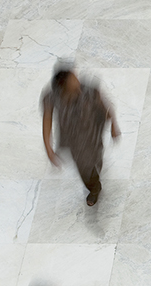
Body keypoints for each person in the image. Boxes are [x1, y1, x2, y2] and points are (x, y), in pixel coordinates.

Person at [41, 64, 120, 207]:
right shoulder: (52, 96)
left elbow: (105, 107)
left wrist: (114, 125)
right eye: (73, 80)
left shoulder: (89, 90)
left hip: (93, 132)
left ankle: (94, 176)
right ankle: (94, 188)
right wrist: (48, 147)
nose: (77, 81)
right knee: (84, 167)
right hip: (73, 139)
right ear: (63, 86)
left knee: (96, 159)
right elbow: (47, 120)